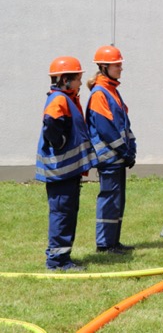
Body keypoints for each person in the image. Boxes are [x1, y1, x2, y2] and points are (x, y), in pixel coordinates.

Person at [36, 56, 97, 271]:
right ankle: (57, 261)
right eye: (77, 78)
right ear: (64, 79)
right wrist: (60, 141)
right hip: (60, 172)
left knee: (67, 213)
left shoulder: (66, 97)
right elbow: (51, 124)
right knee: (62, 214)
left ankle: (63, 258)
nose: (81, 82)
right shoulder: (59, 100)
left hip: (67, 172)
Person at [86, 45, 136, 255]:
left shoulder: (111, 91)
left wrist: (131, 149)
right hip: (109, 158)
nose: (121, 68)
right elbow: (106, 129)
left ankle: (113, 242)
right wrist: (124, 151)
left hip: (118, 157)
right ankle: (105, 244)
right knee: (109, 199)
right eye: (117, 65)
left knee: (117, 200)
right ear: (104, 67)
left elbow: (123, 124)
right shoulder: (100, 93)